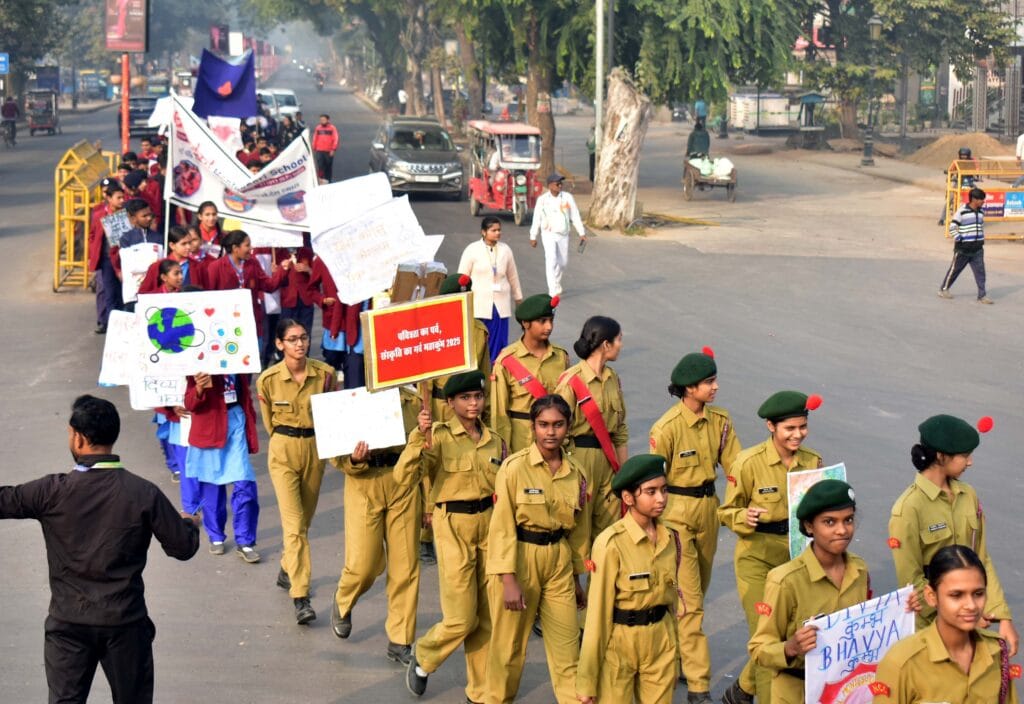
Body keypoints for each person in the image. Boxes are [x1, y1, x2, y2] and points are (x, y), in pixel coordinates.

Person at [0, 395, 199, 703]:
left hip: (68, 623)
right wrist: (188, 523)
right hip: (125, 623)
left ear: (79, 438)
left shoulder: (51, 491)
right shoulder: (143, 492)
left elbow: (5, 500)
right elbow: (183, 548)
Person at [399, 371, 505, 701]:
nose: (473, 403)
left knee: (487, 617)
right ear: (450, 403)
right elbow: (404, 476)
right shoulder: (438, 437)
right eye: (465, 398)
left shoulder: (496, 440)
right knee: (461, 617)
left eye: (478, 396)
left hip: (489, 524)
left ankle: (479, 690)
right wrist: (419, 435)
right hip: (453, 526)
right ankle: (425, 655)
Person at [483, 394, 593, 704]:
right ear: (532, 427)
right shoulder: (514, 468)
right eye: (543, 425)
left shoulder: (577, 473)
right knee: (508, 649)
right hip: (520, 558)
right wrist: (507, 579)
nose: (551, 432)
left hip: (558, 561)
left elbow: (579, 531)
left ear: (568, 427)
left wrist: (576, 578)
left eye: (558, 425)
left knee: (568, 648)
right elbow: (502, 525)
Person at [718, 390, 824, 704]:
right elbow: (726, 511)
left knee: (788, 633)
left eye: (802, 427)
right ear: (771, 427)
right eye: (789, 428)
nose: (798, 434)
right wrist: (743, 516)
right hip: (757, 557)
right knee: (766, 639)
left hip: (796, 556)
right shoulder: (748, 462)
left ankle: (741, 690)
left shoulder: (812, 462)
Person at [649, 349, 741, 703]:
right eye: (708, 382)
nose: (715, 387)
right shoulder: (666, 428)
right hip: (675, 515)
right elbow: (654, 482)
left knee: (693, 592)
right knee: (691, 603)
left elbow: (735, 468)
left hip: (709, 511)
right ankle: (698, 684)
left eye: (715, 380)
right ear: (689, 388)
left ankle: (674, 658)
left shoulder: (721, 421)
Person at [888, 414, 1017, 651]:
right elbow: (911, 582)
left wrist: (1002, 616)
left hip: (970, 618)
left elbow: (981, 558)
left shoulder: (968, 495)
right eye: (965, 456)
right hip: (932, 631)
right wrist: (959, 615)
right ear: (941, 456)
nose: (970, 463)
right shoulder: (908, 508)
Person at [748, 480, 871, 704]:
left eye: (848, 520)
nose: (842, 530)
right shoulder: (785, 581)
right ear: (809, 526)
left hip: (844, 691)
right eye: (829, 522)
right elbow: (759, 650)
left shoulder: (859, 569)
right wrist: (791, 646)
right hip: (796, 693)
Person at [576, 454, 682, 704]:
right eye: (651, 491)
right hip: (620, 644)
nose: (661, 498)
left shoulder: (670, 538)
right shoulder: (610, 544)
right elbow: (597, 616)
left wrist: (675, 658)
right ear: (628, 498)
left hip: (660, 640)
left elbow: (671, 604)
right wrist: (587, 681)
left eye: (664, 490)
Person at [330, 386, 422, 665]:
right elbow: (335, 452)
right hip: (363, 483)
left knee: (405, 567)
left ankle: (400, 639)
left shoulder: (416, 400)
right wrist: (354, 459)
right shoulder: (352, 400)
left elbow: (430, 450)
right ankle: (344, 598)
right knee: (363, 565)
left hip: (403, 483)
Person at [257, 319, 336, 625]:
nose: (300, 344)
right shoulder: (267, 380)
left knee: (305, 519)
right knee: (294, 527)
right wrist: (284, 443)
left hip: (315, 450)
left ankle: (287, 566)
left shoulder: (326, 375)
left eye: (303, 338)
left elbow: (334, 414)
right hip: (284, 451)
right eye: (292, 339)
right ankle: (300, 596)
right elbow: (269, 422)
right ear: (280, 344)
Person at [872, 545, 1020, 704]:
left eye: (978, 594)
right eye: (956, 595)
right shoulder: (901, 663)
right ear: (931, 596)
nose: (971, 605)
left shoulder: (996, 651)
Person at [554, 315, 628, 536]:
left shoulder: (613, 378)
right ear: (606, 345)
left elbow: (620, 429)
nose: (621, 345)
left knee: (610, 533)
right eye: (619, 339)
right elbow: (556, 431)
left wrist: (624, 473)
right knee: (577, 534)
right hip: (579, 460)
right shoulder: (571, 381)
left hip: (608, 462)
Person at [184, 370, 262, 563]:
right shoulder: (199, 364)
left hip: (235, 421)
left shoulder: (238, 357)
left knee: (245, 483)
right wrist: (200, 387)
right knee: (212, 486)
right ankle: (216, 535)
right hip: (210, 424)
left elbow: (245, 392)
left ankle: (245, 541)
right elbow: (190, 403)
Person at [490, 294, 570, 453]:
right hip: (521, 444)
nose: (549, 327)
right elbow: (499, 414)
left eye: (551, 321)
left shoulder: (561, 357)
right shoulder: (507, 360)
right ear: (525, 323)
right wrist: (504, 452)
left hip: (554, 442)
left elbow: (567, 405)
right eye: (542, 321)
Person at [203, 230, 291, 351]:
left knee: (252, 357)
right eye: (247, 245)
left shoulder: (253, 264)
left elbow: (269, 286)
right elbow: (209, 297)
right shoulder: (216, 267)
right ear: (235, 248)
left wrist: (283, 269)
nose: (251, 248)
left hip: (251, 321)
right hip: (226, 324)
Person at [458, 216, 523, 362]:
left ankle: (496, 370)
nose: (498, 233)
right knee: (479, 341)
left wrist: (518, 298)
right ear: (483, 232)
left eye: (499, 230)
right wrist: (460, 300)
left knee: (499, 342)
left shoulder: (506, 250)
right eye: (493, 230)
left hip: (500, 305)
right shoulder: (472, 250)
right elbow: (462, 277)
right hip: (479, 304)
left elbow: (513, 276)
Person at [529, 173, 586, 298]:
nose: (560, 185)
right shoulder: (542, 200)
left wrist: (581, 232)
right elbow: (536, 218)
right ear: (550, 185)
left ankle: (556, 282)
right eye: (557, 183)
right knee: (551, 259)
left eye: (561, 183)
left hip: (563, 234)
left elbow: (575, 215)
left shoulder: (567, 198)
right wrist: (533, 235)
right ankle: (552, 289)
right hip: (548, 234)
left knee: (563, 262)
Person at [939, 186, 992, 303]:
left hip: (977, 248)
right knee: (954, 270)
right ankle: (944, 289)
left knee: (980, 273)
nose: (983, 201)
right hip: (963, 249)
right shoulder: (962, 211)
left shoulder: (981, 212)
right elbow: (952, 227)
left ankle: (982, 296)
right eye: (981, 199)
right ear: (974, 199)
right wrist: (960, 238)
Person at [88, 180, 126, 333]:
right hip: (106, 260)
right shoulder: (99, 215)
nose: (122, 201)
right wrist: (93, 253)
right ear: (109, 198)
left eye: (123, 197)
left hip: (123, 259)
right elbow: (92, 235)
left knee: (123, 293)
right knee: (108, 292)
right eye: (119, 198)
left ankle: (124, 323)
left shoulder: (126, 215)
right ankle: (110, 325)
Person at [312, 114, 339, 183]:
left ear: (327, 120)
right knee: (320, 166)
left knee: (328, 167)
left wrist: (333, 149)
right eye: (321, 120)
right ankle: (320, 180)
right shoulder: (318, 128)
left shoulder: (332, 128)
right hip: (319, 150)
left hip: (328, 151)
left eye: (323, 120)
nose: (322, 121)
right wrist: (313, 147)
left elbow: (336, 139)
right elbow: (315, 138)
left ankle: (328, 180)